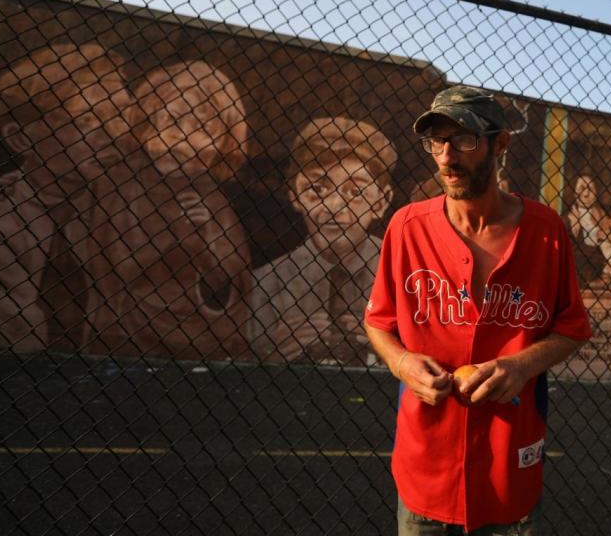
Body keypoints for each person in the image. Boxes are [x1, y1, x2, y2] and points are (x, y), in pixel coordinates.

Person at [364, 85, 592, 534]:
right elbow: (378, 321)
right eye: (437, 141)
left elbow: (572, 328)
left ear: (500, 143)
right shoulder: (406, 228)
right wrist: (404, 362)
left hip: (509, 470)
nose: (447, 156)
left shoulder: (546, 232)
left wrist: (520, 365)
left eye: (464, 139)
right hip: (424, 472)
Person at [87, 59, 252, 360]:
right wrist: (178, 241)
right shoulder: (122, 184)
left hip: (200, 340)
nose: (182, 138)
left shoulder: (211, 197)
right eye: (174, 121)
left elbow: (232, 279)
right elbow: (112, 267)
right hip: (126, 336)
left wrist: (207, 242)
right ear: (149, 122)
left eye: (202, 129)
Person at [0, 43, 132, 351]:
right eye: (88, 119)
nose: (113, 135)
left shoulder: (122, 211)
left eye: (121, 116)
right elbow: (16, 339)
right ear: (21, 137)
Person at [250, 117, 396, 365]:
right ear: (295, 196)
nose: (334, 207)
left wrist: (392, 352)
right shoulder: (266, 282)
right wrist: (268, 355)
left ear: (381, 202)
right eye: (317, 189)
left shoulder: (404, 273)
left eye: (356, 192)